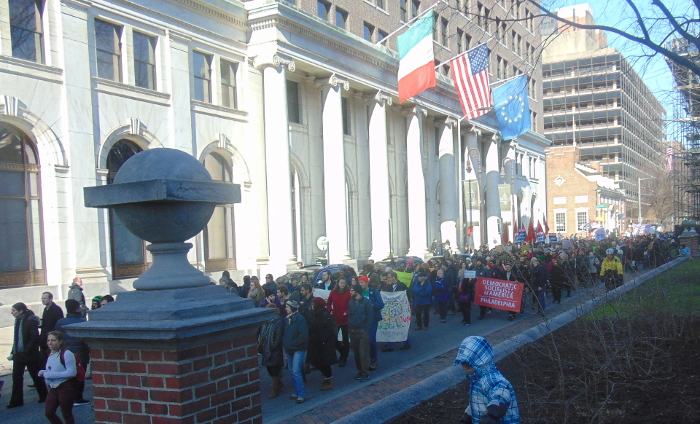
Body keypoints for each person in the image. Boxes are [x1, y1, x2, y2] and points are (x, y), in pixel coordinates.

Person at [454, 336, 520, 424]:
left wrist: (492, 415)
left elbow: (500, 396)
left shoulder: (494, 379)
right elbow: (477, 403)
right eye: (463, 364)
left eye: (467, 365)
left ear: (479, 363)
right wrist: (467, 418)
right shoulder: (477, 380)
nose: (464, 368)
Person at [8, 302, 48, 408]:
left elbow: (34, 338)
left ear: (21, 311)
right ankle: (16, 401)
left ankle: (44, 395)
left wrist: (26, 351)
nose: (12, 313)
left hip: (29, 354)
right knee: (16, 377)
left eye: (14, 310)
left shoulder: (30, 321)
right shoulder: (18, 320)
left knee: (36, 376)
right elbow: (16, 338)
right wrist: (14, 351)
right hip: (18, 354)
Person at [54, 300, 90, 406]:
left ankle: (67, 397)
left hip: (65, 353)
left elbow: (57, 337)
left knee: (67, 376)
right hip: (80, 353)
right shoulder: (82, 321)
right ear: (77, 308)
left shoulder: (60, 322)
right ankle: (78, 397)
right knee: (79, 376)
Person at [39, 331, 78, 424]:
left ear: (60, 341)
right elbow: (54, 370)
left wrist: (48, 374)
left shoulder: (67, 354)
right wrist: (44, 372)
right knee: (49, 412)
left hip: (66, 387)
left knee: (66, 414)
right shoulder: (50, 354)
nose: (50, 343)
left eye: (53, 340)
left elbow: (72, 372)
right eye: (48, 340)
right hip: (53, 387)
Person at [307, 298, 337, 391]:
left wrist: (324, 339)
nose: (312, 305)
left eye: (313, 303)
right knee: (316, 362)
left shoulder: (325, 314)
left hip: (325, 343)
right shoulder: (313, 314)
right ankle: (325, 375)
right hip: (315, 342)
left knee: (325, 363)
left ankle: (328, 379)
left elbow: (331, 329)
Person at [258, 303, 285, 399]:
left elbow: (279, 336)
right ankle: (279, 383)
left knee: (274, 369)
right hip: (266, 349)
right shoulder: (265, 322)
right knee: (269, 369)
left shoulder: (278, 321)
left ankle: (275, 389)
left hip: (274, 349)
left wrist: (273, 346)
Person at [283, 300, 308, 404]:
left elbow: (303, 335)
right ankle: (296, 392)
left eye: (287, 307)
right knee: (291, 371)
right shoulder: (287, 319)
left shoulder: (300, 319)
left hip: (298, 348)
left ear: (292, 308)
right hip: (290, 349)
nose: (285, 309)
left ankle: (301, 394)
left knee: (296, 371)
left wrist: (292, 344)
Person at [348, 284, 373, 383]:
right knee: (356, 353)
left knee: (363, 353)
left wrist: (366, 329)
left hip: (363, 331)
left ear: (357, 292)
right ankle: (360, 370)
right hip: (353, 331)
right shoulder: (351, 302)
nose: (350, 292)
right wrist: (349, 328)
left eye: (352, 290)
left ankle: (365, 372)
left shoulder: (366, 302)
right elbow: (350, 316)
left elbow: (370, 317)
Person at [358, 276, 383, 370]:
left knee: (371, 340)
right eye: (359, 282)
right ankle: (364, 359)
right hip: (362, 320)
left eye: (362, 282)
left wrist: (372, 305)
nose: (360, 284)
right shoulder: (358, 293)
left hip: (372, 319)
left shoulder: (374, 292)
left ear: (366, 282)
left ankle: (373, 359)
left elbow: (381, 305)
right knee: (362, 340)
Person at [326, 277, 351, 367]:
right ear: (338, 283)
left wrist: (346, 312)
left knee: (345, 340)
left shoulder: (348, 293)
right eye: (341, 283)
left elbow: (350, 305)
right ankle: (342, 352)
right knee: (334, 338)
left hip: (345, 320)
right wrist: (330, 310)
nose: (342, 285)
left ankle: (344, 357)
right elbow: (328, 303)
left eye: (344, 283)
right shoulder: (333, 292)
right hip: (335, 319)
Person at [40, 292, 64, 362]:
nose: (43, 300)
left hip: (52, 338)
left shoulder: (56, 309)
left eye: (45, 298)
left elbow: (59, 324)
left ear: (50, 299)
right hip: (44, 338)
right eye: (42, 298)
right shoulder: (45, 309)